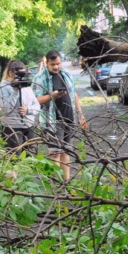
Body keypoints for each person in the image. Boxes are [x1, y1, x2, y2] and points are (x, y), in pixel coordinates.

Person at [33, 49, 88, 179]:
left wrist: (80, 115)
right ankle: (57, 185)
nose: (56, 67)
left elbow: (74, 93)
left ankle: (66, 182)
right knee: (55, 153)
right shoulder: (40, 78)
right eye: (53, 64)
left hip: (69, 118)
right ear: (47, 63)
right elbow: (35, 100)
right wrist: (52, 95)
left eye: (58, 63)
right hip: (52, 120)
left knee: (66, 151)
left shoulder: (66, 74)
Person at [0, 60, 39, 153]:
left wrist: (28, 110)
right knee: (15, 160)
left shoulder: (26, 86)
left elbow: (37, 106)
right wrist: (15, 91)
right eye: (20, 75)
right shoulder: (3, 88)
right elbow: (6, 110)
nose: (22, 77)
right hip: (12, 129)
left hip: (29, 126)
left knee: (31, 158)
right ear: (10, 72)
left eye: (23, 75)